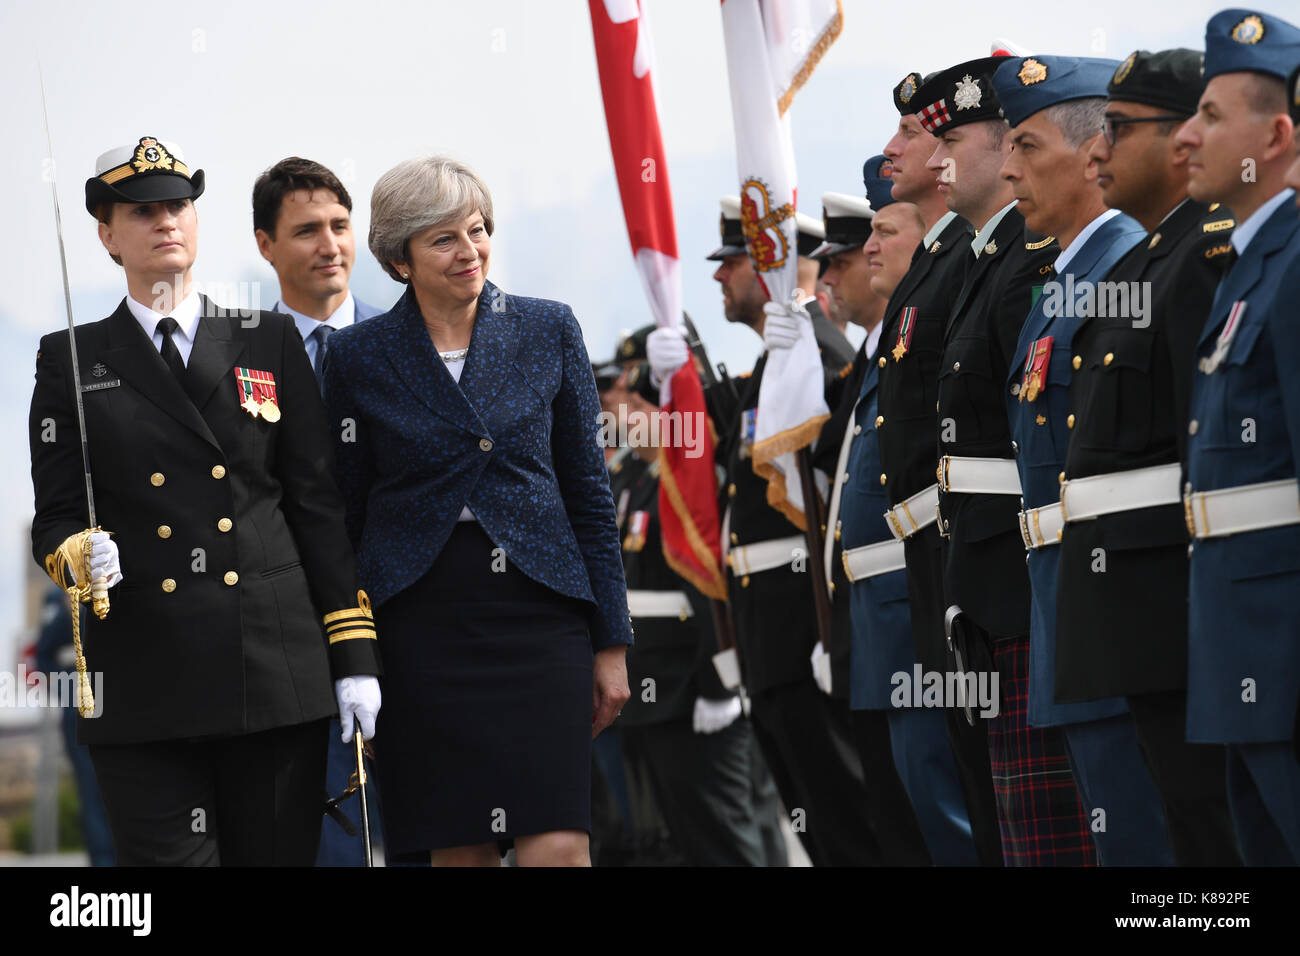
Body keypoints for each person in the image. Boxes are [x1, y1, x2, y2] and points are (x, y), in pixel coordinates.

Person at [28, 136, 382, 866]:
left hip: (269, 673)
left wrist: (354, 655)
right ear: (107, 233)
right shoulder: (70, 358)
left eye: (179, 206)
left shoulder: (266, 339)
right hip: (145, 682)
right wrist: (77, 556)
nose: (166, 221)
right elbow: (56, 514)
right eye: (143, 210)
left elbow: (316, 510)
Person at [323, 155, 632, 867]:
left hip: (541, 615)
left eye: (479, 230)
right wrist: (351, 652)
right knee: (456, 849)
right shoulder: (356, 356)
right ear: (399, 259)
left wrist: (611, 643)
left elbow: (588, 494)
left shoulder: (548, 328)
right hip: (418, 622)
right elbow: (344, 510)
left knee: (557, 844)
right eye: (444, 239)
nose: (470, 252)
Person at [648, 197, 878, 866]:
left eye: (733, 263)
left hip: (809, 620)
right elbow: (715, 442)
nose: (719, 278)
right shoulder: (772, 367)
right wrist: (682, 367)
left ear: (778, 267)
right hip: (767, 631)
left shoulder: (817, 349)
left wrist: (806, 339)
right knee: (819, 824)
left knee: (852, 815)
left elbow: (838, 460)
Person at [1059, 47, 1243, 866]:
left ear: (1180, 142)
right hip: (1135, 613)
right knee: (1183, 828)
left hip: (1181, 615)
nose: (1098, 149)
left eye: (1120, 129)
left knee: (1216, 835)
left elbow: (1210, 456)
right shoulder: (1147, 263)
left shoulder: (1204, 259)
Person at [990, 54, 1174, 867]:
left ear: (1093, 149)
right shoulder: (1062, 283)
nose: (1007, 168)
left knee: (1154, 856)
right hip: (1063, 609)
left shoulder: (1127, 271)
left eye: (1026, 146)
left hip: (1116, 612)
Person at [914, 58, 1097, 865]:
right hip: (981, 573)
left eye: (955, 138)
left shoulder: (1033, 259)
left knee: (1053, 828)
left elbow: (1043, 427)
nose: (936, 161)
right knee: (1008, 824)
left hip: (1026, 581)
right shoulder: (990, 262)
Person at [1176, 8, 1300, 866]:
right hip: (1237, 641)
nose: (1188, 135)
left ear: (1279, 134)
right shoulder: (1248, 270)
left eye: (1214, 116)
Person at [877, 72, 1001, 866]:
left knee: (988, 782)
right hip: (932, 554)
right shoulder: (942, 254)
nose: (894, 149)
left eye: (920, 134)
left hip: (968, 547)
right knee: (960, 775)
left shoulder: (968, 253)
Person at [252, 155, 385, 867]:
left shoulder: (406, 344)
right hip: (299, 637)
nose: (331, 245)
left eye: (340, 225)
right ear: (265, 244)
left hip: (410, 618)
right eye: (307, 230)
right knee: (330, 844)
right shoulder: (236, 358)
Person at [615, 360, 779, 865]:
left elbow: (710, 586)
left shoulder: (691, 482)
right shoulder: (642, 479)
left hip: (691, 690)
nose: (621, 414)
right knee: (689, 841)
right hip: (657, 691)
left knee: (727, 838)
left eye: (639, 405)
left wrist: (719, 684)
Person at [811, 181, 932, 865]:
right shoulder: (871, 357)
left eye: (883, 234)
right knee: (895, 819)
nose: (833, 272)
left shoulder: (917, 338)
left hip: (909, 614)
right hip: (869, 621)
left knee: (931, 817)